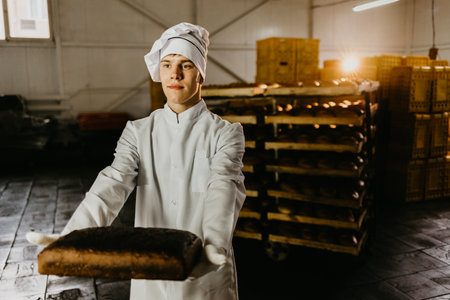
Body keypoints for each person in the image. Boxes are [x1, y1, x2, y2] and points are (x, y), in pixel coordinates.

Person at [27, 22, 246, 300]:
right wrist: (73, 236)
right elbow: (113, 182)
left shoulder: (226, 133)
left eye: (186, 65)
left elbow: (224, 188)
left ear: (201, 74)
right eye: (167, 65)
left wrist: (214, 245)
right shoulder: (139, 131)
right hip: (150, 271)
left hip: (207, 270)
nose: (174, 74)